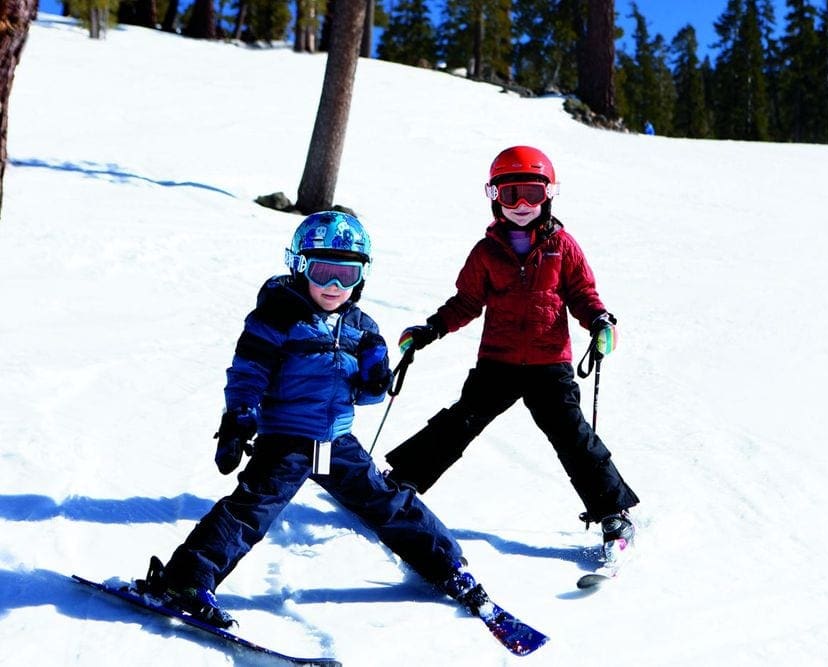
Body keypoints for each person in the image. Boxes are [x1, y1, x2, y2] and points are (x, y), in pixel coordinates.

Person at [138, 209, 489, 628]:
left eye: (347, 274)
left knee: (386, 500)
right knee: (252, 508)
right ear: (299, 265)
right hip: (286, 438)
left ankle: (448, 565)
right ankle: (184, 580)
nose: (335, 286)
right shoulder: (278, 317)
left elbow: (369, 396)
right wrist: (239, 417)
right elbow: (248, 371)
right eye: (323, 272)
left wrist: (377, 374)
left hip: (337, 440)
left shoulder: (362, 327)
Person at [384, 146, 640, 558]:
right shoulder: (486, 252)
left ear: (549, 196)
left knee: (573, 437)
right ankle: (398, 481)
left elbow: (582, 294)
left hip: (549, 365)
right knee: (460, 422)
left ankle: (614, 512)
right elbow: (465, 302)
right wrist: (431, 329)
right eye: (510, 195)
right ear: (493, 197)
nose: (522, 205)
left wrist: (599, 321)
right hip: (498, 362)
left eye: (532, 195)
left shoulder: (563, 247)